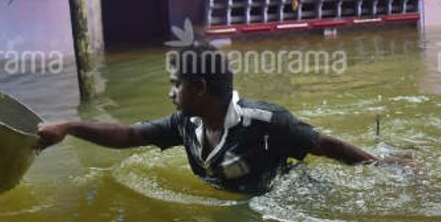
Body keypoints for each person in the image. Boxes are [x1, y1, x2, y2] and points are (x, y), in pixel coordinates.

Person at [36, 41, 412, 195]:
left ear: (198, 87)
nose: (170, 93)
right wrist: (70, 127)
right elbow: (129, 136)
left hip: (291, 196)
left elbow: (326, 145)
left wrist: (383, 166)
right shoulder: (184, 124)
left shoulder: (265, 120)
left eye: (176, 84)